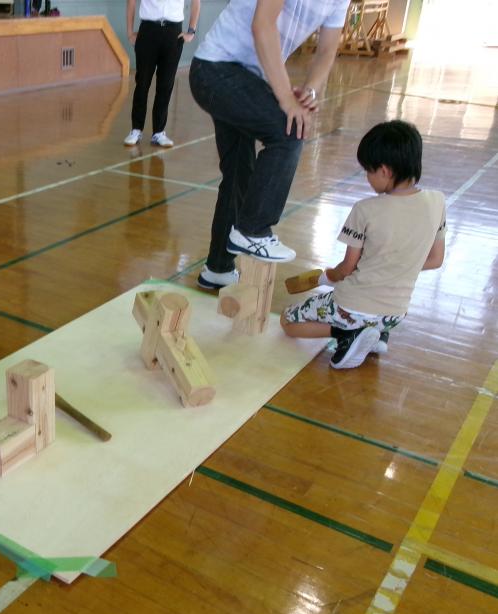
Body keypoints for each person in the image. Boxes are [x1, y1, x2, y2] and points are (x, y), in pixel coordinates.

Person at [190, 0, 349, 289]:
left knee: (240, 174)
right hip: (216, 71)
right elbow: (262, 26)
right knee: (289, 131)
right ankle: (253, 230)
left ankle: (218, 268)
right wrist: (286, 97)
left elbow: (327, 50)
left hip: (245, 79)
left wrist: (310, 90)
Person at [280, 120, 446, 369]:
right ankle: (377, 333)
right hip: (394, 313)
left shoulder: (365, 210)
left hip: (354, 305)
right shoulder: (438, 202)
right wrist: (398, 267)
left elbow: (346, 269)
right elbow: (435, 260)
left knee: (288, 322)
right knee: (372, 315)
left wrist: (327, 277)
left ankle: (347, 335)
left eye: (368, 171)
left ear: (385, 171)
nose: (367, 177)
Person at [124, 0, 200, 148]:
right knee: (142, 83)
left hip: (173, 32)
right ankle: (136, 129)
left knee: (166, 84)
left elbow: (196, 2)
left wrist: (191, 31)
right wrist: (129, 32)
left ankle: (158, 132)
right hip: (148, 30)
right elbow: (131, 2)